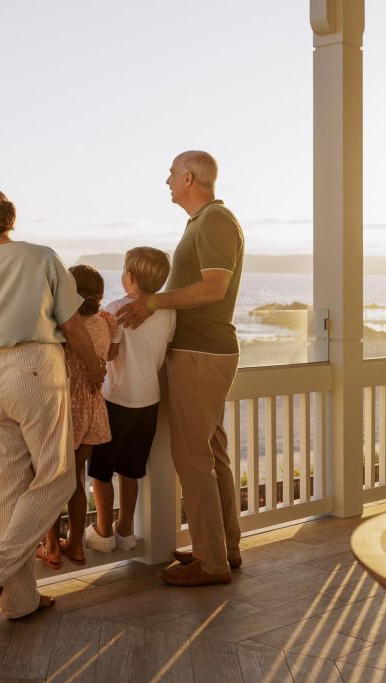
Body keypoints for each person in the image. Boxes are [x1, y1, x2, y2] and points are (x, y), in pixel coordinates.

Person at [0, 186, 106, 627]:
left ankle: (17, 602)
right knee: (57, 476)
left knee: (3, 487)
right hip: (35, 368)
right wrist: (94, 367)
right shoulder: (41, 257)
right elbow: (72, 324)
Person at [117, 151, 245, 587]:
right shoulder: (202, 223)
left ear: (189, 177)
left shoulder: (215, 222)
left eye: (172, 173)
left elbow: (214, 287)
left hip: (201, 354)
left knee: (192, 458)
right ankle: (224, 548)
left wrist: (151, 301)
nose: (167, 180)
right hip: (201, 352)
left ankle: (212, 564)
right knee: (211, 453)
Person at [84, 247, 175, 553]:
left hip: (117, 398)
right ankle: (126, 530)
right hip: (149, 401)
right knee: (132, 469)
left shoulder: (115, 308)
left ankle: (103, 531)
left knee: (100, 470)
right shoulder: (168, 312)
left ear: (130, 277)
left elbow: (110, 352)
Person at [36, 265, 115, 569]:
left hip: (63, 407)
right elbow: (111, 356)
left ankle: (53, 547)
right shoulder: (106, 322)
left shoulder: (63, 326)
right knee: (76, 481)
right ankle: (77, 546)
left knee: (53, 481)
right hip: (92, 408)